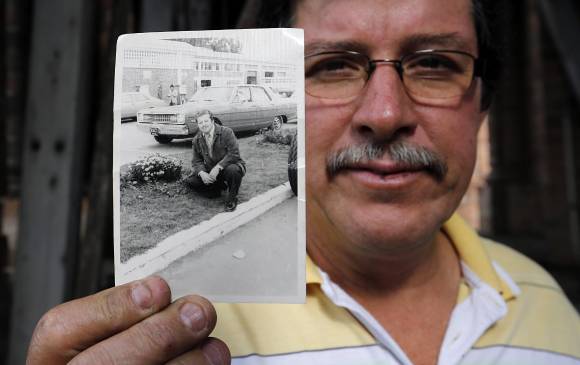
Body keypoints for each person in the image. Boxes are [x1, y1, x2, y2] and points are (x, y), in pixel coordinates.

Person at [25, 0, 580, 364]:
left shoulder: (550, 308)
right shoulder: (182, 332)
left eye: (434, 63)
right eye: (332, 65)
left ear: (482, 105)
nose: (386, 113)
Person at [185, 110, 245, 212]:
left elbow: (234, 154)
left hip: (229, 166)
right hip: (211, 170)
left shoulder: (226, 132)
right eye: (200, 122)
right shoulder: (197, 139)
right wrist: (202, 172)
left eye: (206, 121)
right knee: (191, 181)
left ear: (212, 121)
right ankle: (216, 188)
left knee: (233, 170)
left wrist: (218, 167)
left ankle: (232, 198)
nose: (204, 125)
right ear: (198, 125)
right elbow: (196, 161)